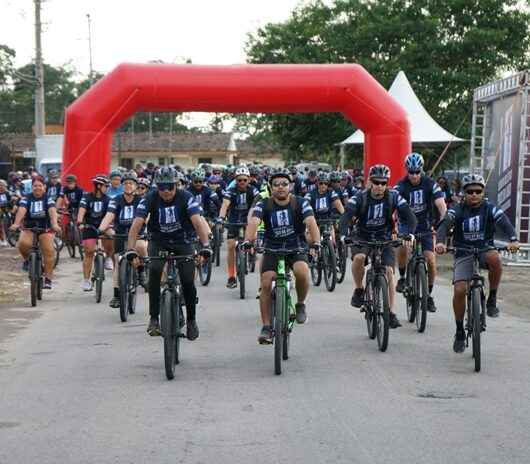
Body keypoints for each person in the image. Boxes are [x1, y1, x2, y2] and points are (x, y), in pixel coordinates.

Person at [435, 174, 520, 352]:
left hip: (484, 249)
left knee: (496, 258)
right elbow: (444, 224)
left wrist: (513, 239)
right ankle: (459, 331)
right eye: (470, 191)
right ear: (464, 193)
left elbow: (504, 222)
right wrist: (441, 242)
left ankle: (492, 299)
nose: (474, 194)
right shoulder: (457, 209)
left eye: (478, 191)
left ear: (483, 192)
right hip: (463, 251)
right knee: (459, 290)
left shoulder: (489, 208)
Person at [126, 167, 212, 339]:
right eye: (162, 187)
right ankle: (154, 319)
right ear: (157, 187)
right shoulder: (149, 198)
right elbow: (136, 224)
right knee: (155, 272)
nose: (166, 191)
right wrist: (130, 250)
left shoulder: (186, 197)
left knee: (188, 281)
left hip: (184, 241)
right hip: (159, 241)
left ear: (176, 185)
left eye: (170, 187)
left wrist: (205, 245)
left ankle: (191, 320)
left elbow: (197, 222)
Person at [244, 168, 321, 343]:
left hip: (296, 246)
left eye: (284, 184)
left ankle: (300, 304)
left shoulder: (301, 202)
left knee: (302, 271)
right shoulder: (263, 204)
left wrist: (316, 242)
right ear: (270, 188)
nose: (280, 187)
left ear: (290, 186)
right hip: (272, 247)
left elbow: (311, 222)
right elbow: (254, 222)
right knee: (265, 282)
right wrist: (248, 240)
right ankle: (266, 327)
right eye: (276, 184)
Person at [339, 164, 417, 329]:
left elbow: (410, 216)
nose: (379, 186)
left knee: (388, 271)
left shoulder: (394, 196)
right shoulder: (359, 197)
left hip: (385, 237)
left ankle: (390, 312)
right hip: (362, 237)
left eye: (383, 183)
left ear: (387, 183)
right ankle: (359, 289)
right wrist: (343, 235)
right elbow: (345, 217)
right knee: (359, 258)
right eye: (376, 182)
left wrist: (409, 233)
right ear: (370, 181)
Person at [394, 153, 447, 312]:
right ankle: (403, 278)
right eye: (411, 172)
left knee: (430, 261)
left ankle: (428, 295)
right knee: (403, 247)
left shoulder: (430, 183)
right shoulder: (401, 185)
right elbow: (391, 205)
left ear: (421, 170)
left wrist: (445, 223)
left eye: (417, 172)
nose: (414, 175)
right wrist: (392, 227)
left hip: (425, 226)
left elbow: (441, 205)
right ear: (407, 170)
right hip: (406, 226)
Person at [98, 171, 148, 308]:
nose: (128, 186)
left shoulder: (142, 200)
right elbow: (109, 215)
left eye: (131, 183)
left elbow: (147, 218)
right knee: (118, 263)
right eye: (125, 183)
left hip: (138, 234)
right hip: (120, 234)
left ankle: (142, 272)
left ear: (136, 186)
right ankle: (116, 295)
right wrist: (101, 229)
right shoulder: (116, 200)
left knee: (142, 247)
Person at [9, 175, 61, 289]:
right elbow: (22, 209)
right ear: (32, 187)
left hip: (45, 228)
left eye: (40, 185)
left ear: (44, 187)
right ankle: (28, 260)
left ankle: (48, 278)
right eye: (35, 186)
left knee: (48, 251)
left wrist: (55, 224)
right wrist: (16, 223)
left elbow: (52, 211)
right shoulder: (26, 198)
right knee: (22, 244)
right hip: (29, 227)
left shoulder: (48, 198)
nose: (37, 188)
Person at [218, 166, 259, 288]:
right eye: (239, 180)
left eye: (244, 180)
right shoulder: (231, 191)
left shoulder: (253, 190)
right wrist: (221, 218)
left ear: (249, 180)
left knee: (254, 236)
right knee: (230, 246)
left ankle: (252, 251)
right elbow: (225, 205)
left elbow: (258, 203)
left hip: (249, 221)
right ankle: (231, 276)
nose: (242, 182)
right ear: (235, 180)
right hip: (233, 221)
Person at [77, 174, 114, 291]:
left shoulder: (108, 199)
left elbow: (111, 214)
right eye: (105, 186)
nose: (107, 188)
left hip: (104, 226)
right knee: (89, 252)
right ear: (98, 186)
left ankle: (108, 257)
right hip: (89, 226)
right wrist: (80, 222)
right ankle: (86, 280)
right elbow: (81, 210)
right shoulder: (86, 197)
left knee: (113, 236)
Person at [0, 179, 13, 246]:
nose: (1, 187)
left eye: (2, 185)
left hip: (7, 211)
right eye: (0, 185)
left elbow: (11, 203)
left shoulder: (7, 193)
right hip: (0, 212)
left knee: (8, 225)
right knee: (1, 226)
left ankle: (9, 239)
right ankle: (3, 239)